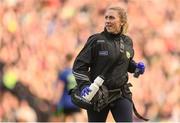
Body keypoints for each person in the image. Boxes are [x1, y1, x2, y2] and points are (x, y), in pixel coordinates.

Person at [72, 5, 147, 122]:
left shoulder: (127, 41)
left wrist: (136, 67)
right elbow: (79, 66)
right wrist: (84, 85)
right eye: (106, 18)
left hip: (120, 94)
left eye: (111, 18)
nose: (107, 21)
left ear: (122, 22)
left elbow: (126, 62)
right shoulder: (96, 40)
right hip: (98, 94)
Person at [56, 53, 81, 122]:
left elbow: (59, 89)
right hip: (77, 101)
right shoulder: (78, 73)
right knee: (77, 119)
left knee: (65, 120)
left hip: (66, 102)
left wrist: (56, 101)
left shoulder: (64, 73)